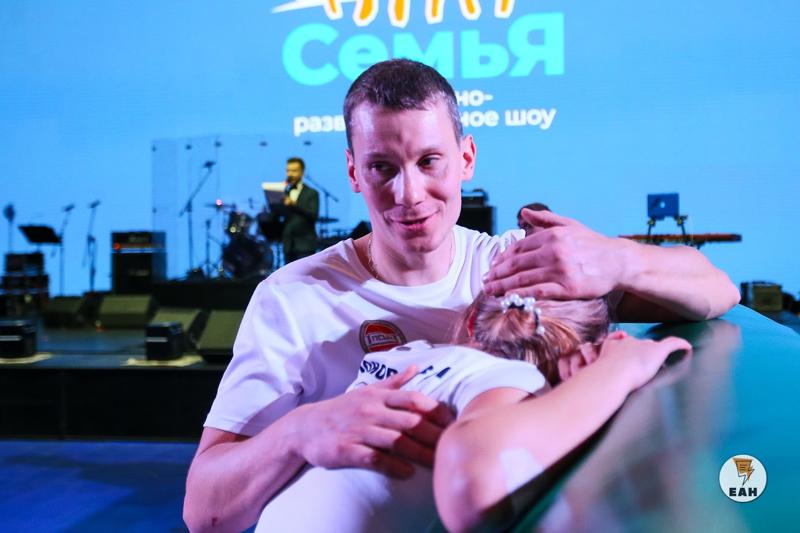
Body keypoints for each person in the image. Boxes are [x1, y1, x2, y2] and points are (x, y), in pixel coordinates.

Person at [183, 59, 739, 532]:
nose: (409, 194)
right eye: (382, 168)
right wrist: (300, 432)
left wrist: (618, 259)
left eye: (429, 161)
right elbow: (204, 512)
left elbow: (718, 289)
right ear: (353, 171)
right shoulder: (293, 298)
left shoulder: (516, 267)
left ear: (466, 158)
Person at [252, 292, 689, 532]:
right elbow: (474, 483)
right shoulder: (507, 379)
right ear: (580, 354)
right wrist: (617, 372)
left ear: (472, 317)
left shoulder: (407, 355)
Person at [280, 156, 319, 262]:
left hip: (305, 246)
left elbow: (313, 216)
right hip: (288, 246)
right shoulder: (283, 193)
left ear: (302, 172)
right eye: (288, 171)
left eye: (294, 171)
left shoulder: (312, 193)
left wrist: (294, 205)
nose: (290, 174)